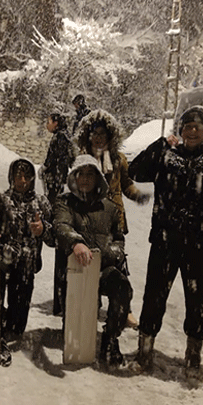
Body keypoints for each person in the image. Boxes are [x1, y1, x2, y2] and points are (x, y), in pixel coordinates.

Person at [128, 105, 203, 373]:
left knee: (196, 302)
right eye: (187, 126)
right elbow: (135, 171)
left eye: (198, 127)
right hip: (165, 241)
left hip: (198, 245)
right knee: (154, 297)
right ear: (180, 130)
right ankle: (144, 351)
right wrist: (160, 144)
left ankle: (193, 354)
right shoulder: (166, 156)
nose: (192, 131)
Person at [54, 155, 134, 367]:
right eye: (81, 174)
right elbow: (62, 226)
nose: (86, 179)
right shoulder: (65, 202)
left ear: (98, 177)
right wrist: (76, 243)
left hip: (103, 267)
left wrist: (111, 253)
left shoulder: (109, 208)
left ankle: (110, 338)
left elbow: (118, 238)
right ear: (74, 176)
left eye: (91, 174)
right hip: (74, 269)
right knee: (77, 332)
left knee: (122, 288)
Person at [74, 109, 150, 327]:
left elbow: (125, 184)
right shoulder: (82, 160)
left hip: (114, 219)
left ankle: (124, 309)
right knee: (88, 260)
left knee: (117, 263)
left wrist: (137, 195)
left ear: (110, 136)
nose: (98, 138)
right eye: (94, 133)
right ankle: (91, 303)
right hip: (88, 218)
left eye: (102, 134)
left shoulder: (118, 160)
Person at [0, 158, 55, 366]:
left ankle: (12, 333)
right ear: (11, 177)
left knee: (20, 309)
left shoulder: (42, 202)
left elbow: (54, 236)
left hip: (28, 264)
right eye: (17, 175)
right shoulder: (2, 199)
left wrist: (43, 229)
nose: (22, 180)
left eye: (26, 175)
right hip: (4, 260)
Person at [40, 112, 75, 316]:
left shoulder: (61, 137)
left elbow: (58, 159)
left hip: (57, 179)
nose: (47, 124)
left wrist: (47, 167)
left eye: (48, 121)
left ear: (55, 122)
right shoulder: (63, 136)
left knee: (54, 203)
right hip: (57, 178)